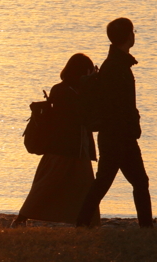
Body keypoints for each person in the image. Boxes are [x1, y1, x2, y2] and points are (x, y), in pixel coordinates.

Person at [76, 17, 154, 228]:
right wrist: (132, 125)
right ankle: (82, 223)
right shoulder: (116, 68)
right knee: (109, 183)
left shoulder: (116, 65)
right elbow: (120, 105)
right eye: (133, 32)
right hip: (118, 136)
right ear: (129, 37)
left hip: (118, 135)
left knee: (134, 182)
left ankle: (146, 228)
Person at [13, 53, 100, 227]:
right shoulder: (62, 90)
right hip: (62, 150)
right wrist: (91, 85)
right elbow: (80, 113)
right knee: (45, 186)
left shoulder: (74, 90)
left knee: (85, 188)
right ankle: (21, 218)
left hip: (77, 149)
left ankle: (89, 223)